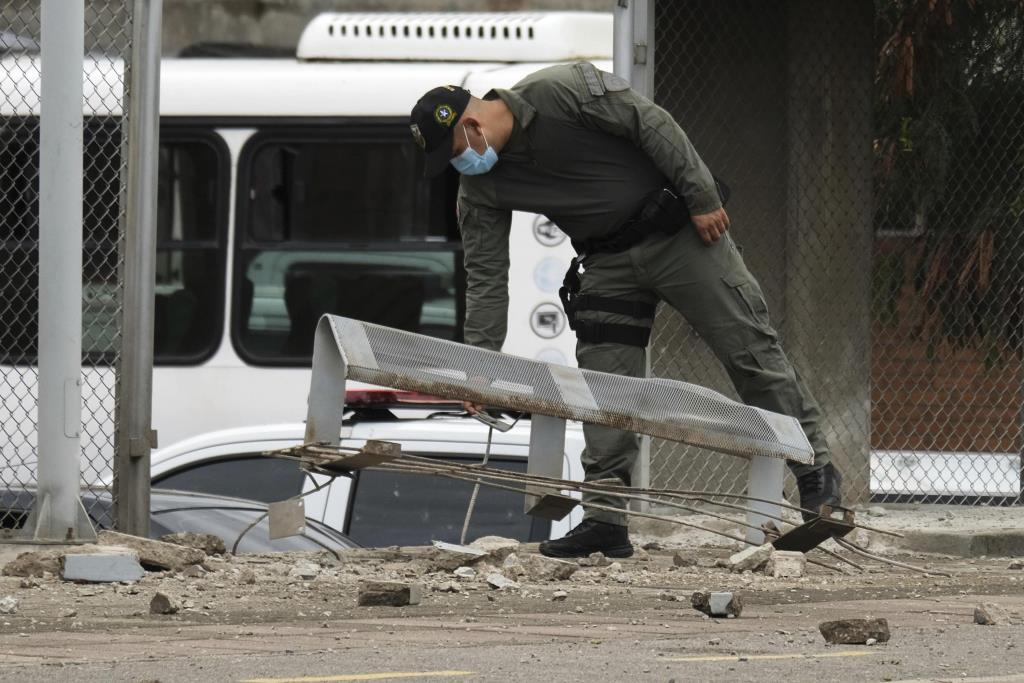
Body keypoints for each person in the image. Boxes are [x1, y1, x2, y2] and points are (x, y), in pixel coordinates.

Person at [408, 63, 842, 559]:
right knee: (605, 387)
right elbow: (485, 278)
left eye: (456, 153)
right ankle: (605, 520)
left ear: (472, 125)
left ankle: (817, 478)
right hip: (607, 260)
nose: (461, 165)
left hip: (680, 236)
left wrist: (701, 197)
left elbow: (652, 125)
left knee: (749, 351)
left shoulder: (562, 91)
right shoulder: (480, 189)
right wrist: (477, 369)